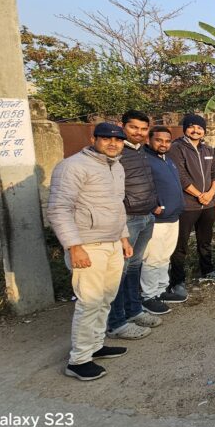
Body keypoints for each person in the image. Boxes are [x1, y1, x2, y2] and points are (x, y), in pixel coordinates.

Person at [48, 122, 132, 381]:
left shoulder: (116, 166)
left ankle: (96, 345)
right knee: (90, 302)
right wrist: (74, 247)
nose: (113, 143)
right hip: (87, 245)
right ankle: (79, 360)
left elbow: (116, 206)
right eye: (106, 138)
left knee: (106, 298)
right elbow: (59, 209)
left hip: (112, 243)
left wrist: (124, 237)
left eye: (118, 140)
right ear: (93, 138)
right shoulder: (72, 166)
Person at [106, 110, 160, 340]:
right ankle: (117, 322)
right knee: (119, 270)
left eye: (143, 129)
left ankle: (134, 310)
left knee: (134, 266)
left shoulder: (141, 151)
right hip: (127, 219)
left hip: (146, 216)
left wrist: (154, 204)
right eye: (133, 127)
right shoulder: (116, 152)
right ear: (122, 126)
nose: (139, 132)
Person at [169, 113, 215, 288]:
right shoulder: (176, 148)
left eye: (199, 127)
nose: (195, 130)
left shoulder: (208, 150)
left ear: (204, 131)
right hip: (188, 205)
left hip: (207, 205)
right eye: (191, 127)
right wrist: (199, 195)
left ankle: (207, 271)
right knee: (181, 244)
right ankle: (177, 280)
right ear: (185, 129)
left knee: (205, 241)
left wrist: (210, 193)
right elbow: (180, 175)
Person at [140, 126, 186, 312]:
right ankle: (148, 296)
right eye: (159, 140)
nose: (163, 144)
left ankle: (161, 290)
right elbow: (140, 186)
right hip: (157, 219)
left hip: (173, 216)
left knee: (165, 256)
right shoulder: (144, 159)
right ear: (149, 140)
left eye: (167, 141)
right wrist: (153, 205)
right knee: (152, 258)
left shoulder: (167, 159)